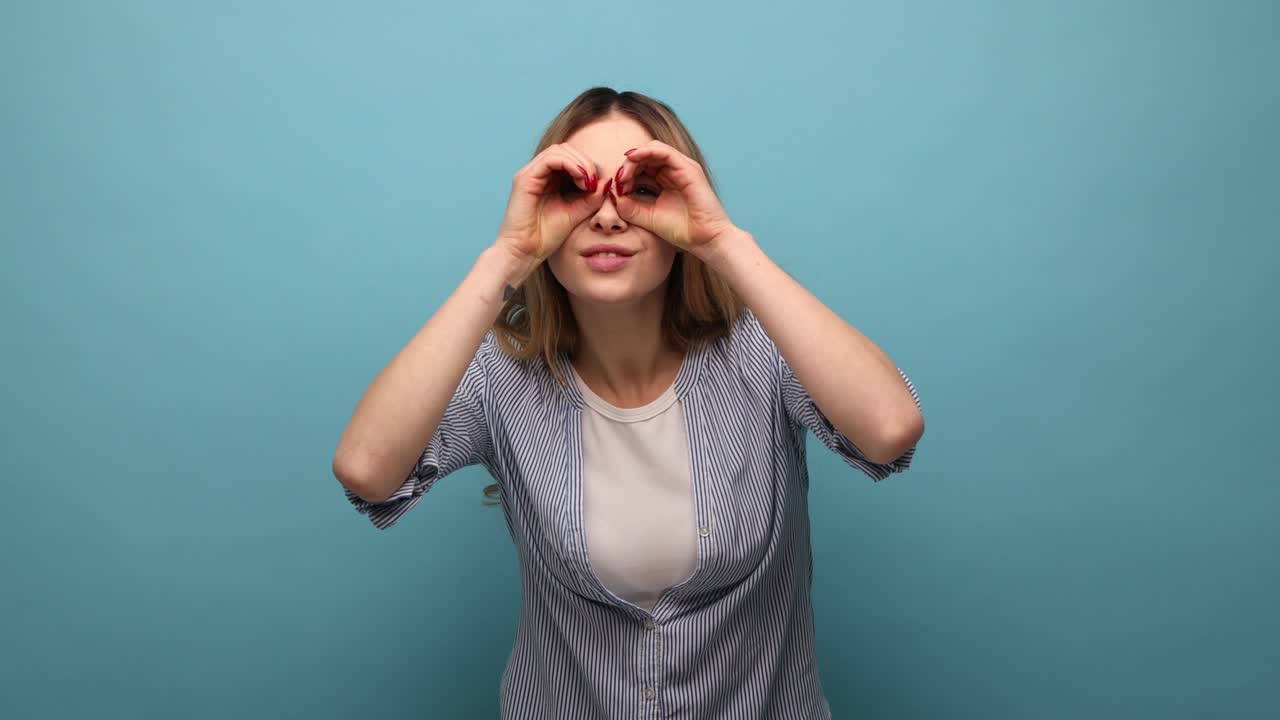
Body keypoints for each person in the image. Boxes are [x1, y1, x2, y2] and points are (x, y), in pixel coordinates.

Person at [332, 86, 925, 719]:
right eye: (575, 190)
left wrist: (720, 241)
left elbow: (889, 429)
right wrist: (504, 258)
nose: (609, 217)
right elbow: (367, 470)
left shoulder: (764, 351)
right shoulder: (499, 378)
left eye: (642, 190)